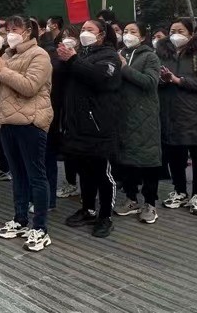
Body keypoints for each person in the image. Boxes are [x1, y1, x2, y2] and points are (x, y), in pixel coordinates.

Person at [0, 15, 54, 252]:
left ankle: (40, 227)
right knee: (18, 174)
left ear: (28, 32)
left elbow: (29, 87)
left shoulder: (39, 55)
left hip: (31, 121)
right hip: (7, 121)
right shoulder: (7, 54)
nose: (10, 34)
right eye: (8, 30)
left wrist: (2, 71)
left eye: (15, 29)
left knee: (36, 175)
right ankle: (20, 219)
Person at [58, 18, 122, 238]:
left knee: (103, 174)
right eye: (82, 29)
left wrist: (73, 58)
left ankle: (105, 216)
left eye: (89, 29)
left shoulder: (110, 56)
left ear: (102, 34)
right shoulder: (82, 55)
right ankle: (88, 209)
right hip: (78, 125)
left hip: (99, 125)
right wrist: (67, 59)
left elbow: (100, 78)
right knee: (84, 171)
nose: (84, 32)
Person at [157, 18, 197, 216]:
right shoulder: (163, 54)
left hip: (194, 113)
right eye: (172, 30)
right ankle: (179, 190)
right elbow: (155, 80)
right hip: (170, 112)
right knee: (175, 154)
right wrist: (163, 80)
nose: (175, 34)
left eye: (180, 30)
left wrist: (178, 80)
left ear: (190, 33)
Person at [114, 21, 163, 225]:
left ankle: (150, 203)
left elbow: (150, 82)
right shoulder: (120, 54)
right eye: (125, 31)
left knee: (148, 161)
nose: (127, 35)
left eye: (133, 32)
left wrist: (124, 69)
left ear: (142, 37)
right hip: (122, 116)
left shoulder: (150, 56)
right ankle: (131, 199)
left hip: (144, 117)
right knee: (127, 160)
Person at [39, 16, 69, 208]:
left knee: (46, 158)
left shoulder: (50, 55)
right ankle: (45, 198)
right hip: (46, 112)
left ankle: (48, 200)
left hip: (50, 113)